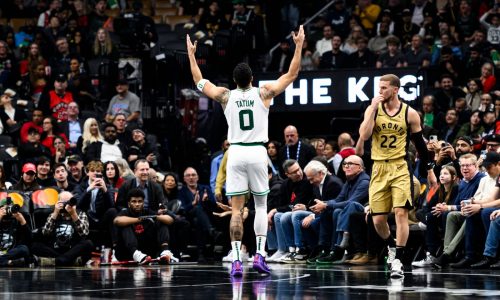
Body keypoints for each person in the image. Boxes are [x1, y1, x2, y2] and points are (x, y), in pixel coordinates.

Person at [186, 24, 305, 276]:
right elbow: (292, 74)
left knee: (237, 209)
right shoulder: (264, 92)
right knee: (261, 206)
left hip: (236, 152)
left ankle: (238, 259)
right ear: (252, 78)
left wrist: (191, 56)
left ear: (234, 81)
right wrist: (299, 45)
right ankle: (260, 254)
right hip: (257, 151)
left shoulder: (225, 95)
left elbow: (199, 82)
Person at [358, 74, 435, 278]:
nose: (380, 91)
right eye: (379, 87)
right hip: (378, 167)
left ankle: (399, 259)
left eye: (384, 88)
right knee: (377, 220)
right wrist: (372, 109)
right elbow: (364, 136)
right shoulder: (373, 109)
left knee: (401, 212)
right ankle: (392, 247)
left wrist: (430, 169)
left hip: (400, 166)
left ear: (395, 89)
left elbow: (420, 145)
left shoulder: (410, 113)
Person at [114, 188, 176, 264]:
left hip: (146, 252)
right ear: (129, 203)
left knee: (161, 221)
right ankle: (136, 254)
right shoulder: (125, 213)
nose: (137, 204)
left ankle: (165, 251)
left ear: (143, 202)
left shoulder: (148, 212)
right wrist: (139, 219)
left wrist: (155, 217)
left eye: (140, 201)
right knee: (125, 224)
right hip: (127, 252)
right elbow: (117, 221)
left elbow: (170, 220)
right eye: (134, 201)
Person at [31, 191, 93, 266]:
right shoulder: (53, 214)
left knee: (88, 243)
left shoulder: (80, 213)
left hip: (72, 249)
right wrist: (55, 213)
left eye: (69, 202)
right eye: (63, 202)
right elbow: (45, 233)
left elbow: (84, 233)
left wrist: (73, 214)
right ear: (58, 202)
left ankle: (56, 261)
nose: (66, 205)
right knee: (34, 245)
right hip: (55, 249)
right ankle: (69, 261)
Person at [0, 196, 31, 267]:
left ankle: (4, 261)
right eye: (4, 209)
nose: (7, 211)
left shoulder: (16, 221)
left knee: (24, 249)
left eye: (10, 208)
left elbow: (29, 239)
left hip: (10, 253)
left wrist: (23, 221)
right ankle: (9, 262)